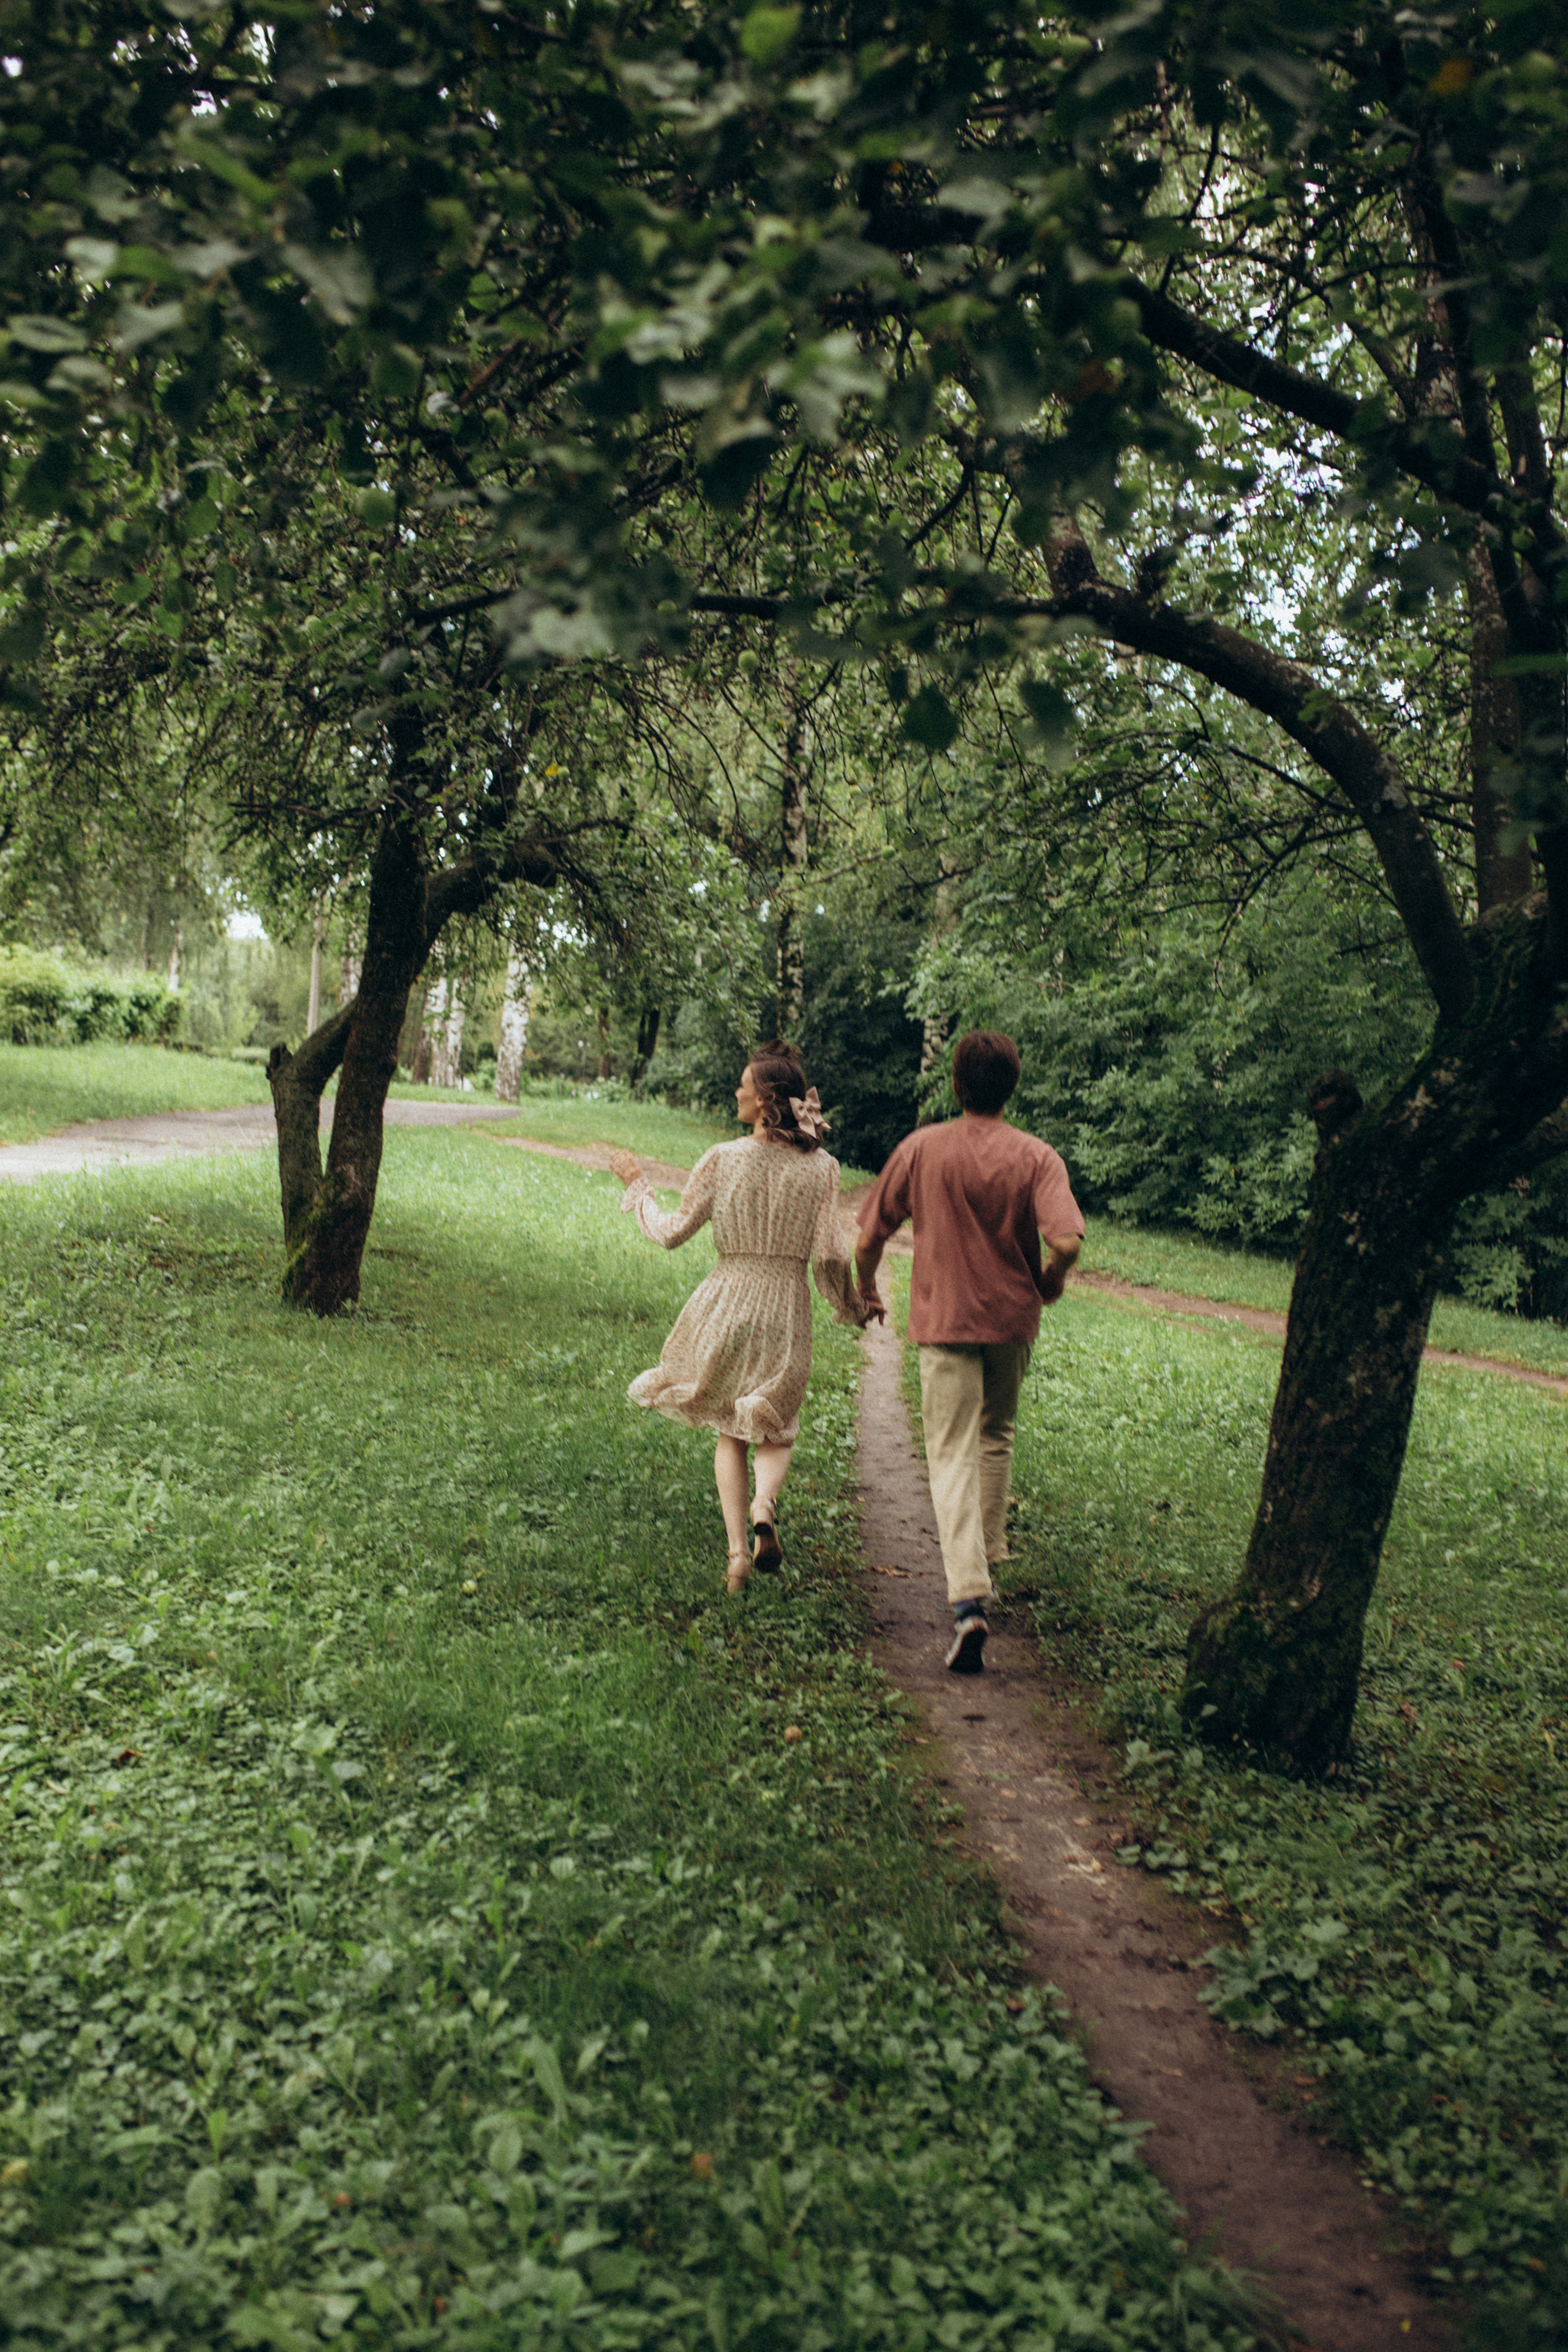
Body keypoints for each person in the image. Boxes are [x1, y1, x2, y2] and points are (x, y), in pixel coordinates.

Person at [854, 1029, 1084, 1674]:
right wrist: (1051, 1280)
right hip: (1012, 1322)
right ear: (1011, 1087)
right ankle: (984, 1560)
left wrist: (866, 1287)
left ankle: (968, 1599)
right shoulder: (1038, 1157)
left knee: (949, 1451)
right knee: (995, 1436)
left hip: (945, 1319)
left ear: (955, 1084)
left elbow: (870, 1233)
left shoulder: (923, 1148)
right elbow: (1065, 1242)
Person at [609, 1044, 868, 1594]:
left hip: (727, 1300)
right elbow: (829, 1255)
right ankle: (765, 1506)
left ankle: (735, 1561)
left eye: (743, 1085)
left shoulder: (723, 1158)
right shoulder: (822, 1168)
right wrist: (851, 1305)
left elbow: (673, 1232)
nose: (736, 1092)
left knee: (731, 1431)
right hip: (785, 1306)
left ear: (765, 1099)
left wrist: (637, 1187)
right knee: (777, 1426)